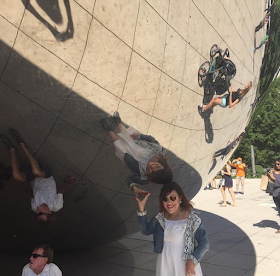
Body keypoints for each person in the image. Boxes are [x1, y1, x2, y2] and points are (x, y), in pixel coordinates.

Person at [0, 129, 77, 223]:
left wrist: (28, 192)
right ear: (49, 211)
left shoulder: (34, 207)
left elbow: (34, 196)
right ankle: (22, 144)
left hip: (33, 178)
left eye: (37, 214)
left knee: (17, 177)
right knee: (37, 172)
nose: (37, 211)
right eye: (41, 213)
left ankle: (12, 149)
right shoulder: (56, 206)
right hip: (45, 174)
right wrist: (67, 182)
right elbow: (61, 193)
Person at [136, 182, 209, 276]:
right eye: (165, 199)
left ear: (180, 198)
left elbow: (204, 244)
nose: (169, 202)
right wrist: (141, 209)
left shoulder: (192, 219)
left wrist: (192, 261)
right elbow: (145, 230)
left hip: (184, 264)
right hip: (165, 263)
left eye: (173, 198)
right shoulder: (160, 217)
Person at [100, 112, 173, 198]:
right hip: (136, 143)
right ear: (162, 165)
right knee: (123, 132)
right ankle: (118, 122)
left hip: (126, 154)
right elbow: (151, 139)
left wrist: (134, 188)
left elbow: (130, 179)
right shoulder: (160, 153)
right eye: (157, 167)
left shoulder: (144, 178)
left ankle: (108, 130)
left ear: (153, 178)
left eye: (153, 172)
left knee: (116, 141)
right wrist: (139, 136)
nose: (152, 167)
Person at [267, 158, 280, 233]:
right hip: (275, 193)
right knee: (279, 210)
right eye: (276, 164)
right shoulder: (273, 172)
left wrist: (273, 178)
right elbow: (270, 181)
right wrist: (268, 175)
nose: (277, 165)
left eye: (278, 164)